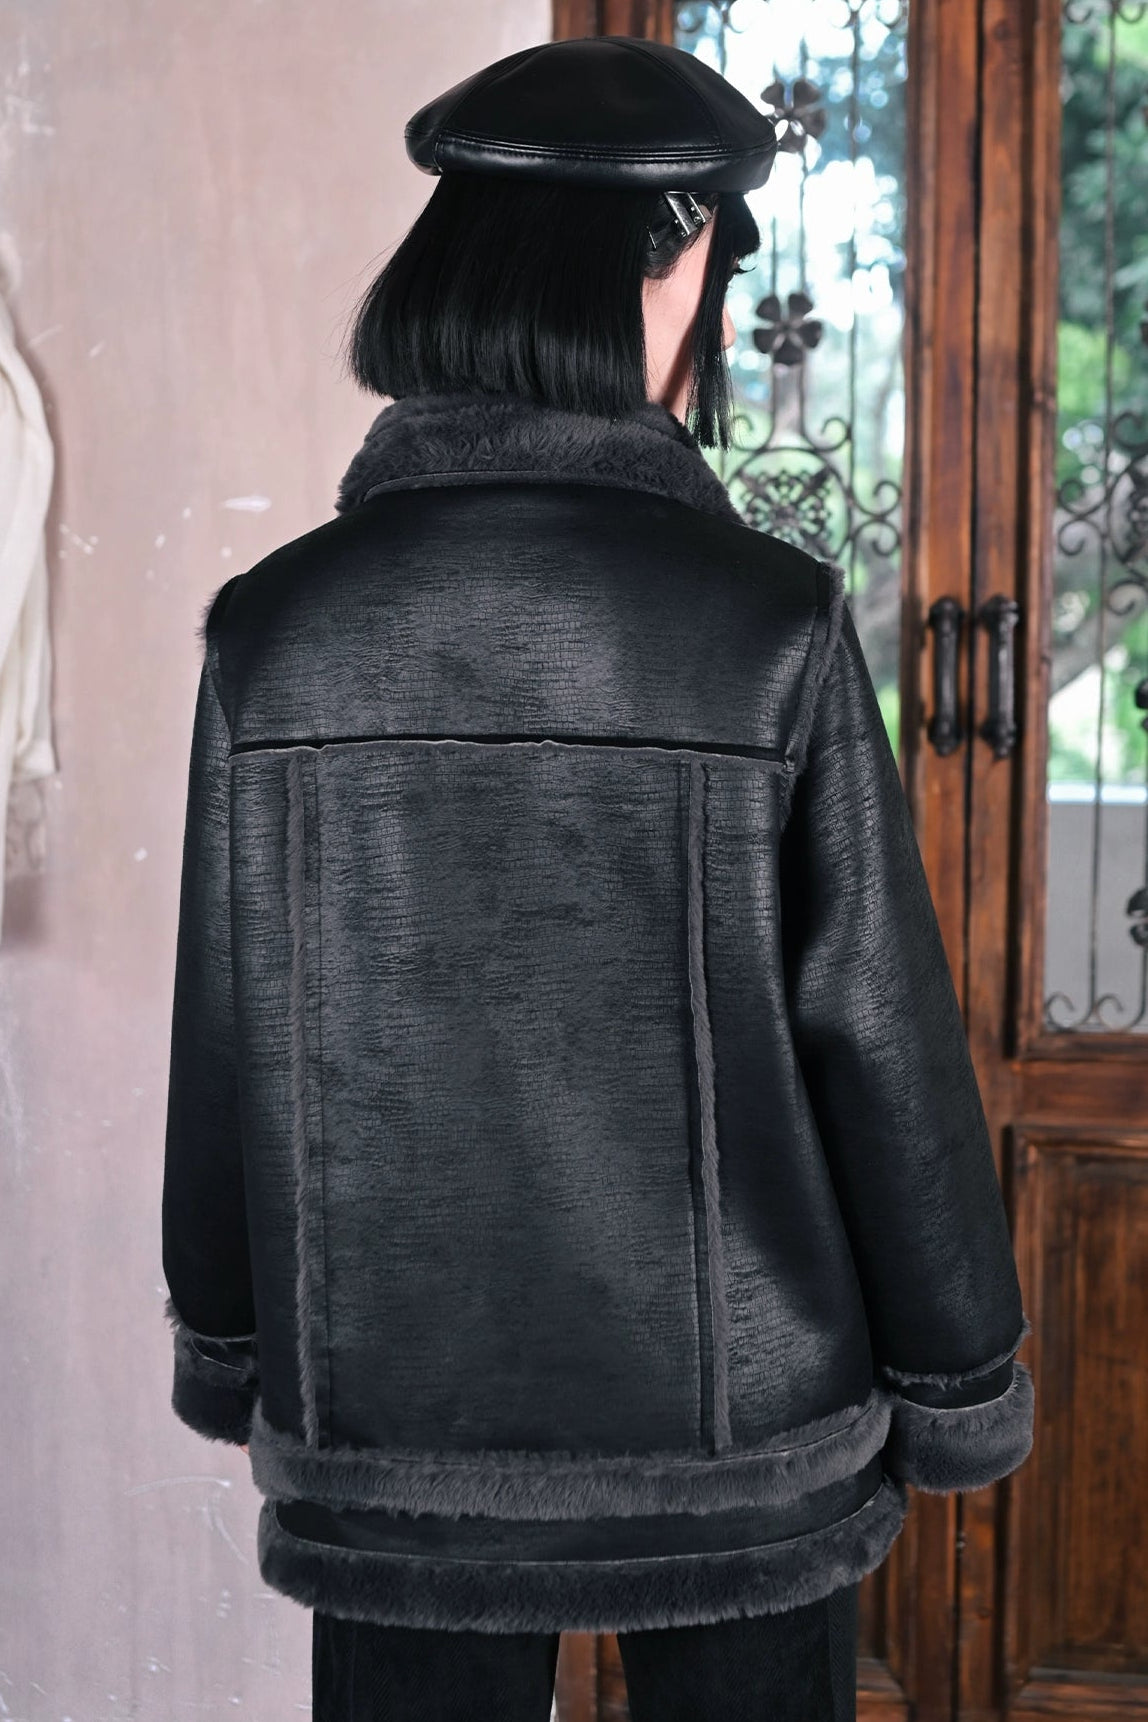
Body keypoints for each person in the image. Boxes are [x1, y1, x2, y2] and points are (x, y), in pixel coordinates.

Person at [159, 35, 1035, 1722]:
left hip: (392, 1431)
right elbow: (877, 1039)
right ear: (665, 260)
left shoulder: (275, 634)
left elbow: (229, 1032)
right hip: (745, 1444)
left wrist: (232, 1336)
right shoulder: (768, 625)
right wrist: (957, 1370)